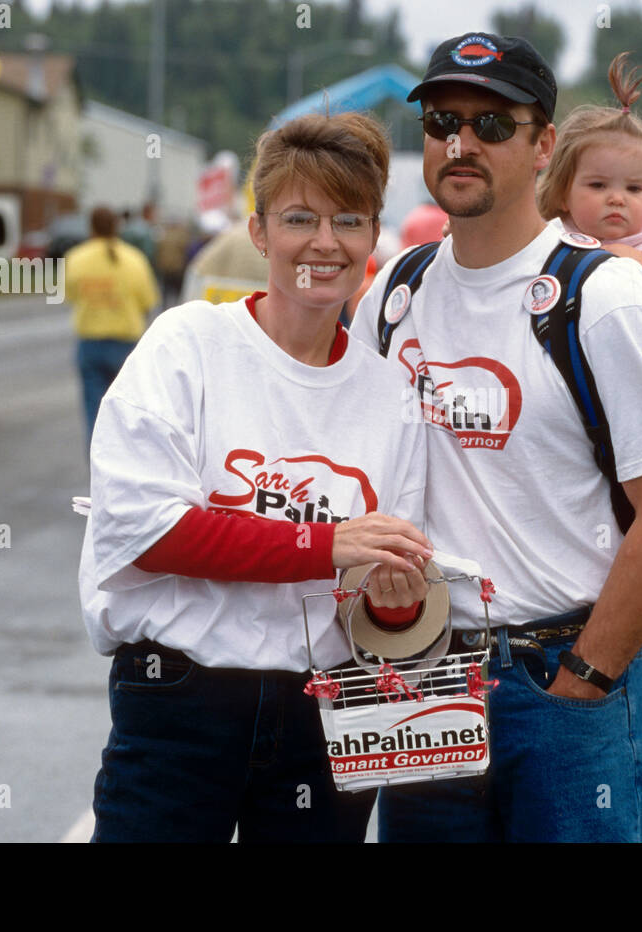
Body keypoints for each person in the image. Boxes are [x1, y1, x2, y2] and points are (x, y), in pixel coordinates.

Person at [351, 32, 642, 842]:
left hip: (563, 686)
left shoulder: (607, 298)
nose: (460, 143)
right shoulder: (394, 292)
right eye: (442, 122)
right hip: (424, 685)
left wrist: (584, 679)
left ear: (544, 144)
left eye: (493, 125)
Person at [78, 110, 432, 843]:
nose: (325, 242)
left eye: (350, 220)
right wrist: (326, 545)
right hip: (181, 703)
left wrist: (396, 604)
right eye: (301, 217)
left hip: (326, 714)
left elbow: (384, 609)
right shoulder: (188, 345)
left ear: (373, 239)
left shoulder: (392, 395)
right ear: (260, 231)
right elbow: (153, 533)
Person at [537, 52, 642, 293]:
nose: (617, 199)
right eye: (598, 185)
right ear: (563, 194)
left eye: (634, 188)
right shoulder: (553, 236)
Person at [63, 207, 159, 448]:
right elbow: (148, 300)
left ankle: (97, 463)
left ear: (91, 228)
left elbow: (70, 295)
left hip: (90, 343)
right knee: (127, 413)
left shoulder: (76, 258)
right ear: (117, 227)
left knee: (94, 414)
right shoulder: (134, 259)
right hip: (126, 344)